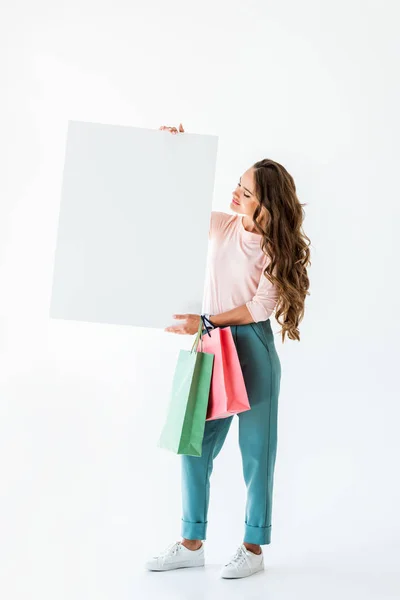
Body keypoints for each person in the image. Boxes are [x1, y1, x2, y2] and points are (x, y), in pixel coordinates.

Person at [146, 123, 311, 578]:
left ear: (266, 203)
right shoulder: (222, 227)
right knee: (193, 445)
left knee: (257, 453)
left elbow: (258, 309)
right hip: (213, 346)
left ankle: (253, 549)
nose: (235, 194)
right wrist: (173, 150)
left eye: (246, 191)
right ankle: (191, 541)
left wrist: (203, 321)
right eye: (237, 186)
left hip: (251, 348)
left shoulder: (277, 248)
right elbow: (176, 202)